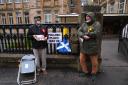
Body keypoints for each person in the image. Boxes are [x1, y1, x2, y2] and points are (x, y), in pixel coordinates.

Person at [78, 12, 101, 80]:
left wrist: (87, 34)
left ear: (92, 17)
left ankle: (94, 73)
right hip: (84, 45)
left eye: (88, 16)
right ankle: (85, 72)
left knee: (94, 62)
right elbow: (79, 31)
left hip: (93, 46)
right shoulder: (84, 24)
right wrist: (83, 35)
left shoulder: (97, 24)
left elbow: (97, 33)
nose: (87, 18)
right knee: (81, 59)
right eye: (86, 16)